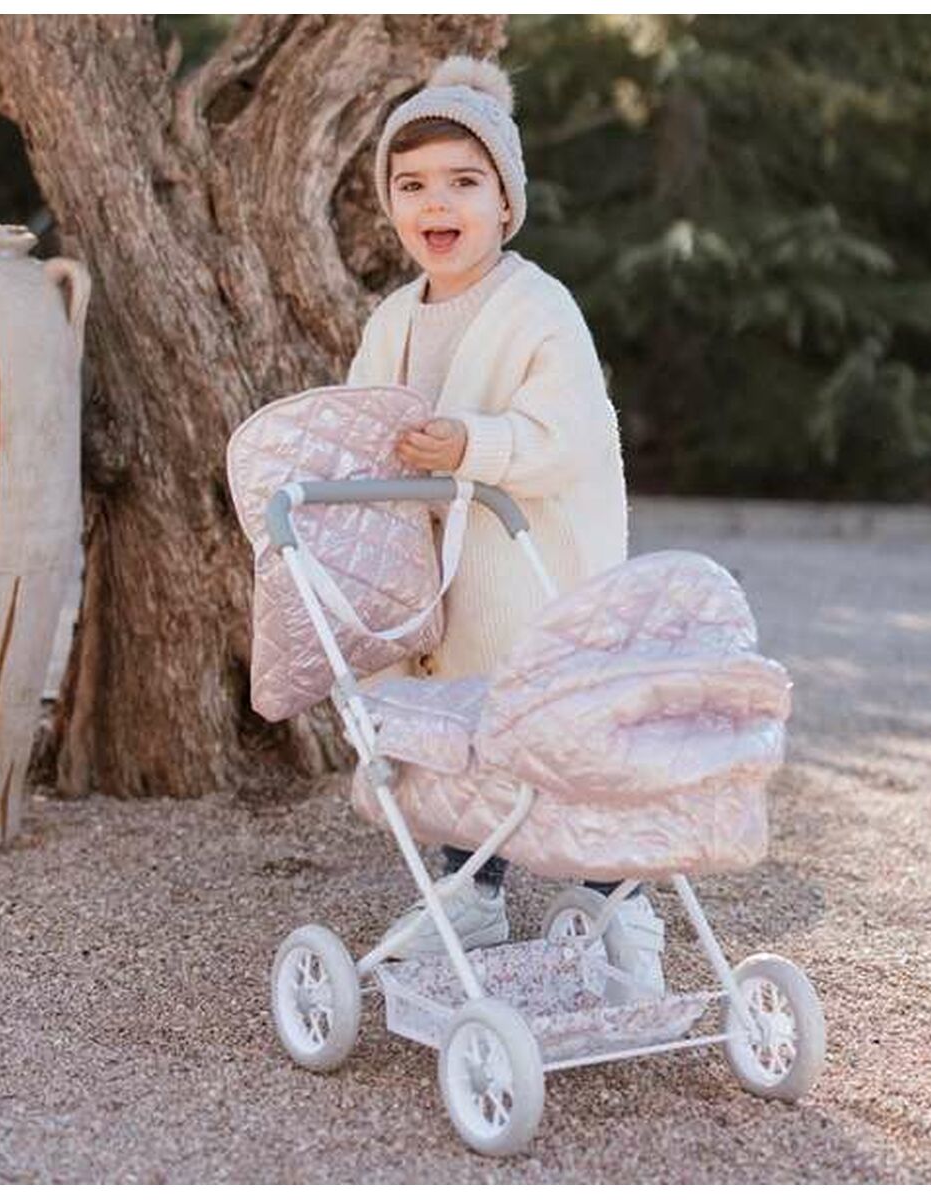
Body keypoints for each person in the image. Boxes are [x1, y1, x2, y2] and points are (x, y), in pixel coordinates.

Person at [345, 55, 664, 990]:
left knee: (559, 746)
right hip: (441, 581)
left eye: (463, 182)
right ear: (390, 204)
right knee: (455, 738)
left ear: (505, 202)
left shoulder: (538, 308)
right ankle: (472, 890)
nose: (436, 204)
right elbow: (366, 419)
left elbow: (568, 436)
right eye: (412, 186)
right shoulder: (393, 320)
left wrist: (472, 443)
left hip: (529, 574)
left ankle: (620, 900)